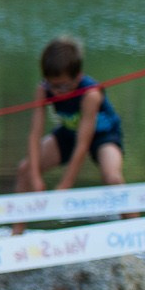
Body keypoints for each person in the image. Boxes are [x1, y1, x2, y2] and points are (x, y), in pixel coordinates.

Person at [16, 35, 126, 196]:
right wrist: (35, 177)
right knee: (24, 169)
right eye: (53, 85)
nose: (58, 92)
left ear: (78, 77)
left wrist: (65, 184)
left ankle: (133, 220)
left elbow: (83, 144)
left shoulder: (91, 95)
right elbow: (35, 134)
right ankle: (17, 222)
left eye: (64, 86)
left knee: (112, 178)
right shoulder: (43, 90)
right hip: (69, 132)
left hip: (104, 136)